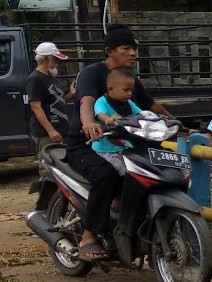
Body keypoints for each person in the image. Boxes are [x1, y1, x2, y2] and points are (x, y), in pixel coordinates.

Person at [64, 24, 177, 263]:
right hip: (87, 144)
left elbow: (151, 105)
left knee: (155, 165)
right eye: (126, 48)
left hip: (124, 142)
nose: (133, 53)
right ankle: (88, 236)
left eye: (134, 49)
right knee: (106, 176)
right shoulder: (92, 74)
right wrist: (88, 123)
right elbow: (86, 101)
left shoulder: (129, 80)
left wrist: (176, 123)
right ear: (109, 51)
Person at [92, 68, 142, 174]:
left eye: (131, 90)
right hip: (106, 150)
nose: (129, 93)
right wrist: (108, 120)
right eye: (125, 90)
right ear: (110, 89)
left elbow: (142, 114)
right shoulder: (102, 102)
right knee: (124, 173)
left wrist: (156, 119)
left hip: (126, 147)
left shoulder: (129, 103)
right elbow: (100, 114)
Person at [25, 41, 70, 154]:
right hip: (46, 134)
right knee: (49, 165)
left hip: (59, 129)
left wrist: (71, 94)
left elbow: (55, 100)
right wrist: (51, 130)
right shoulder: (35, 79)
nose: (57, 62)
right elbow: (36, 107)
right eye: (55, 59)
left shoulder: (50, 77)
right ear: (46, 59)